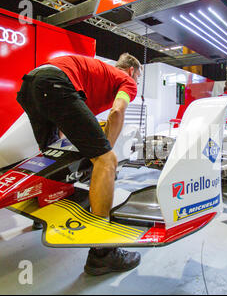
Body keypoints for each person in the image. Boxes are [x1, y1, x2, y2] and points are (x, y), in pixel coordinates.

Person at [16, 53, 142, 276]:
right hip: (55, 82)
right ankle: (102, 254)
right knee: (107, 159)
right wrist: (105, 156)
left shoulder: (96, 77)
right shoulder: (126, 81)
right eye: (138, 79)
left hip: (30, 85)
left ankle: (43, 213)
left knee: (53, 154)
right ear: (131, 71)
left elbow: (68, 131)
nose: (136, 84)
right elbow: (117, 112)